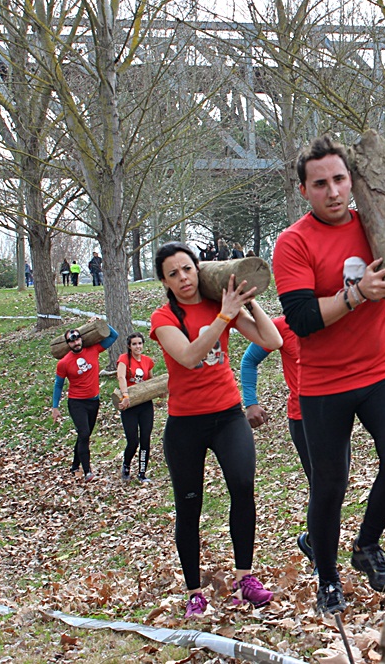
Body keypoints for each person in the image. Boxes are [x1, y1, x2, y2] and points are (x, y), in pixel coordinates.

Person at [272, 135, 385, 615]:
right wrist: (359, 293)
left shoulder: (372, 225)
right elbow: (303, 320)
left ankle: (367, 545)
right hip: (324, 383)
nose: (333, 192)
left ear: (351, 180)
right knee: (329, 485)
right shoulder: (292, 244)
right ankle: (328, 577)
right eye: (321, 184)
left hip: (380, 368)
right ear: (303, 191)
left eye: (339, 179)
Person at [150, 241, 282, 617]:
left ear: (198, 269)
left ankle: (245, 579)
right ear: (165, 281)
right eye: (173, 274)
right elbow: (190, 357)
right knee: (189, 507)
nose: (183, 278)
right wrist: (224, 317)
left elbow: (272, 340)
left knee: (243, 487)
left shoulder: (216, 305)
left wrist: (246, 300)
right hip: (185, 425)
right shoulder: (163, 318)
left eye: (188, 269)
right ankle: (194, 592)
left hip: (227, 416)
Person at [239, 316, 315, 562]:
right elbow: (249, 360)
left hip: (338, 414)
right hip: (303, 417)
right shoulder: (282, 326)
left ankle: (313, 541)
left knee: (335, 485)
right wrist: (250, 402)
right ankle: (323, 560)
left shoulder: (338, 314)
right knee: (322, 485)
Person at [51, 322, 119, 480]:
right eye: (71, 340)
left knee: (84, 436)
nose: (75, 343)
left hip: (94, 401)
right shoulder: (64, 363)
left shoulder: (93, 350)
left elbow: (114, 335)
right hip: (77, 402)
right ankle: (87, 471)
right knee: (84, 433)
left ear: (82, 339)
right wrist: (55, 406)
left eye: (77, 339)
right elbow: (58, 385)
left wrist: (99, 322)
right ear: (68, 344)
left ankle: (75, 465)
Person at [116, 332, 156, 482]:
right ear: (129, 346)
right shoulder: (124, 359)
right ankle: (126, 466)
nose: (138, 346)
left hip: (145, 405)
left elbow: (151, 380)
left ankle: (142, 473)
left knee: (145, 438)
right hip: (129, 405)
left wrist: (160, 392)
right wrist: (125, 396)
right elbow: (121, 377)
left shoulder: (148, 361)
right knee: (133, 441)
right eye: (134, 344)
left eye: (140, 343)